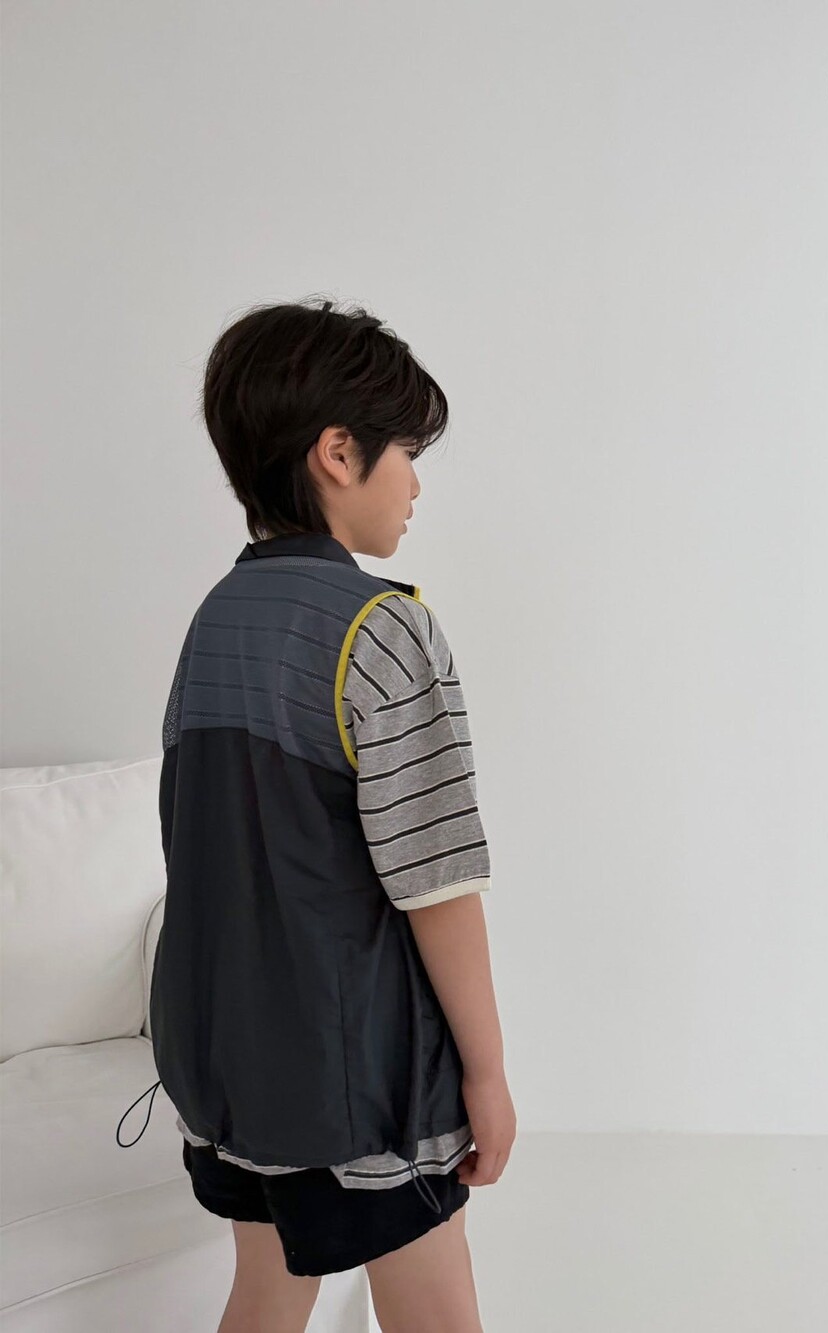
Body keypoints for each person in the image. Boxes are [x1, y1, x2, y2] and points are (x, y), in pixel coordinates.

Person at [116, 297, 515, 1333]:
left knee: (264, 1292)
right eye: (406, 453)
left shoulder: (216, 619)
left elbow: (193, 842)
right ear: (339, 453)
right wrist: (486, 1074)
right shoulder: (385, 629)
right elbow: (436, 883)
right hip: (363, 1074)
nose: (416, 484)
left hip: (228, 1063)